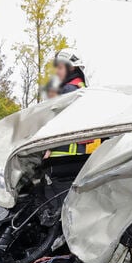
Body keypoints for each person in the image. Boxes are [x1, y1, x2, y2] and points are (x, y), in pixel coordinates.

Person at [44, 50, 99, 180]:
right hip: (79, 154)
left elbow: (58, 121)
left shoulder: (68, 90)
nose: (57, 71)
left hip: (62, 156)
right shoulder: (82, 88)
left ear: (71, 67)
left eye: (60, 67)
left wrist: (47, 147)